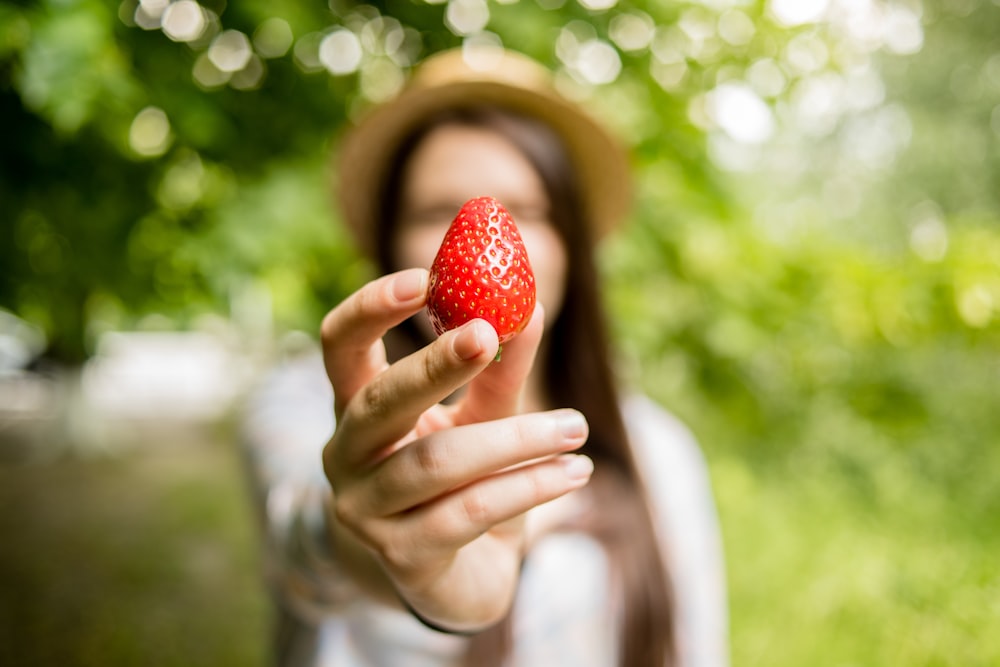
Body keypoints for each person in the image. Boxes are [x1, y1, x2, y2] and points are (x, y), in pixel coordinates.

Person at [241, 46, 728, 667]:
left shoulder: (657, 451)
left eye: (527, 210)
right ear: (391, 242)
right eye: (436, 211)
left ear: (571, 245)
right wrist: (375, 534)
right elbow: (300, 549)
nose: (489, 233)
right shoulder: (302, 404)